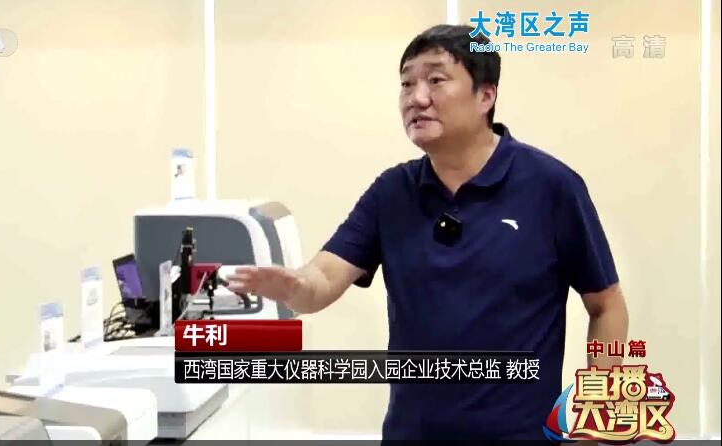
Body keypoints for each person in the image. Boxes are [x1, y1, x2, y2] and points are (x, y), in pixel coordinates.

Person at [227, 24, 629, 441]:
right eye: (406, 84)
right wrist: (295, 286)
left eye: (436, 80)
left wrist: (596, 419)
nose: (416, 98)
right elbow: (323, 278)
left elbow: (607, 306)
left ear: (485, 96)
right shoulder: (392, 192)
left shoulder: (550, 186)